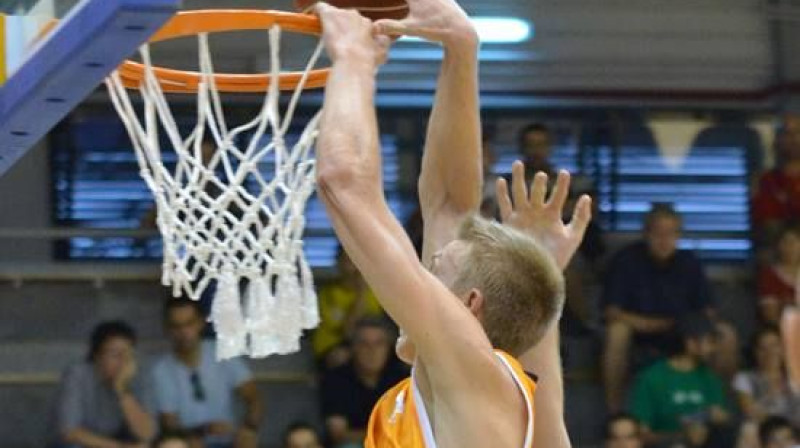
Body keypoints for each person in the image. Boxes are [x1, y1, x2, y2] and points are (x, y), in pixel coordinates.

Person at [314, 2, 592, 448]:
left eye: (434, 269)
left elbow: (343, 183)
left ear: (469, 305)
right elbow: (448, 205)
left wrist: (354, 60)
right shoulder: (490, 392)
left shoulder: (477, 380)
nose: (420, 269)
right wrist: (460, 50)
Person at [603, 203, 738, 412]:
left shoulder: (689, 262)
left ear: (679, 236)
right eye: (658, 233)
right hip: (640, 334)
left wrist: (695, 331)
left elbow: (707, 310)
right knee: (616, 333)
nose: (664, 240)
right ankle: (615, 412)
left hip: (684, 333)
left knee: (726, 334)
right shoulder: (626, 260)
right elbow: (612, 312)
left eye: (671, 233)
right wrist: (650, 324)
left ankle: (721, 406)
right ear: (646, 233)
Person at [151, 298, 263, 448]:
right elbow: (169, 424)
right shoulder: (161, 370)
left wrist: (249, 428)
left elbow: (254, 398)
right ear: (167, 329)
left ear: (201, 322)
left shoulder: (221, 353)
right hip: (191, 443)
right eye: (176, 326)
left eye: (189, 323)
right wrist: (203, 431)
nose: (184, 332)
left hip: (232, 441)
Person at [629, 313, 732, 448]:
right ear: (690, 343)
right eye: (710, 341)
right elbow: (641, 435)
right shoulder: (652, 377)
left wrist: (720, 418)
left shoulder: (710, 377)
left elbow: (720, 417)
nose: (714, 348)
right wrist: (682, 437)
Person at [51, 320, 156, 448]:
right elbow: (69, 431)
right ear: (97, 356)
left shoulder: (138, 376)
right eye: (115, 354)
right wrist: (119, 447)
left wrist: (122, 391)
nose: (123, 361)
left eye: (128, 354)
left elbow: (147, 434)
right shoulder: (77, 375)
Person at [320, 319, 407, 447]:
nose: (372, 351)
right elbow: (338, 434)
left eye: (379, 344)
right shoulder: (336, 380)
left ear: (389, 348)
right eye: (364, 344)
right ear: (353, 348)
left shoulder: (402, 378)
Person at [313, 246, 385, 370]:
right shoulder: (328, 294)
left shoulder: (377, 294)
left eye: (358, 261)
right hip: (335, 348)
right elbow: (348, 332)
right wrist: (361, 294)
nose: (355, 267)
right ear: (339, 263)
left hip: (368, 345)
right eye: (349, 260)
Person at [733, 327, 800, 448]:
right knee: (748, 429)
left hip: (795, 431)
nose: (770, 352)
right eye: (763, 348)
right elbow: (749, 410)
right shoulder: (744, 378)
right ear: (755, 352)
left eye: (774, 345)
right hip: (767, 432)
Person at [752, 114, 800, 245]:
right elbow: (767, 229)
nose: (795, 139)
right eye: (788, 134)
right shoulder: (767, 181)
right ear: (778, 140)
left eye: (798, 132)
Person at [758, 225, 800, 326]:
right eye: (786, 242)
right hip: (780, 328)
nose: (790, 248)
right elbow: (770, 314)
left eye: (794, 242)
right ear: (778, 246)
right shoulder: (769, 275)